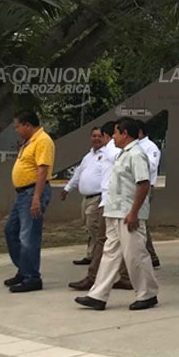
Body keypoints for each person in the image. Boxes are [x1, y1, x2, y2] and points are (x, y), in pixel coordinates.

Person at [74, 118, 159, 311]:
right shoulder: (123, 154)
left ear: (125, 134)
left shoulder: (136, 154)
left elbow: (143, 184)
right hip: (115, 211)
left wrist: (134, 212)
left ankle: (148, 293)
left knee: (135, 254)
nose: (113, 137)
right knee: (110, 254)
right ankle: (98, 295)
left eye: (115, 133)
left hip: (127, 213)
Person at [70, 121, 133, 292]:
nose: (113, 137)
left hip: (110, 203)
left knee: (104, 241)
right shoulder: (104, 153)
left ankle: (94, 279)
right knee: (117, 243)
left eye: (114, 134)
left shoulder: (114, 151)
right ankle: (126, 278)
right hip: (109, 202)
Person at [4, 110, 55, 293]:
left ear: (27, 125)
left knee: (28, 236)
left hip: (33, 192)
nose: (16, 130)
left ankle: (32, 277)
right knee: (11, 230)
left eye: (17, 126)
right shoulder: (28, 141)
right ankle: (24, 269)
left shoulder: (42, 140)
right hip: (22, 194)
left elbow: (42, 170)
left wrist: (36, 198)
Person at [61, 127, 106, 268]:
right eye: (94, 136)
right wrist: (67, 189)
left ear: (105, 137)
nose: (96, 138)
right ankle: (91, 255)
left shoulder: (107, 155)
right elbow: (78, 174)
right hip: (86, 198)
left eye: (99, 136)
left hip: (98, 197)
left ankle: (101, 255)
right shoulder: (88, 156)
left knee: (94, 226)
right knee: (88, 226)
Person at [136, 127, 162, 267]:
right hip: (134, 186)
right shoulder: (135, 147)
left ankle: (151, 256)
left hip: (145, 186)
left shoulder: (150, 147)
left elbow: (152, 166)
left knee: (141, 222)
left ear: (140, 132)